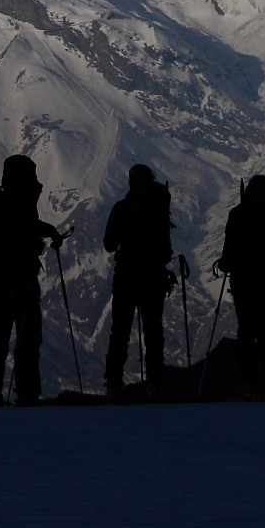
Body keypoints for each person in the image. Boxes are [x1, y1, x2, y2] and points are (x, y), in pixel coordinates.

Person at [0, 153, 64, 407]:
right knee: (27, 334)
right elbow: (23, 231)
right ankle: (26, 391)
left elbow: (23, 228)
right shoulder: (18, 202)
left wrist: (46, 232)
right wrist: (45, 235)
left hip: (0, 277)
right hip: (19, 276)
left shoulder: (3, 202)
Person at [101, 164, 175, 400]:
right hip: (153, 275)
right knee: (153, 330)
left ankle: (114, 383)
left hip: (127, 275)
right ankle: (155, 382)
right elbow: (165, 249)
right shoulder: (159, 209)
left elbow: (109, 244)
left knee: (120, 331)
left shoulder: (121, 208)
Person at [215, 174, 265, 388]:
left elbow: (228, 245)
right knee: (263, 329)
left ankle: (250, 382)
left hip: (242, 279)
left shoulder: (238, 213)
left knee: (246, 330)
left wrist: (226, 263)